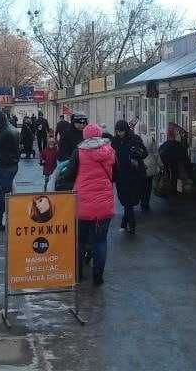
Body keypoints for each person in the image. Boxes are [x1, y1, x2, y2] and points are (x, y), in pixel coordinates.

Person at [74, 123, 116, 285]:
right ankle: (98, 277)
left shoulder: (78, 152)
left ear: (84, 136)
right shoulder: (110, 152)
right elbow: (115, 175)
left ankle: (78, 274)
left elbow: (70, 173)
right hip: (104, 205)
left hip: (82, 204)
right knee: (100, 241)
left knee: (81, 241)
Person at [111, 120, 148, 234]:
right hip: (120, 174)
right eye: (117, 131)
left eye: (121, 131)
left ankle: (131, 224)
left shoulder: (134, 139)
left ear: (126, 130)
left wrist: (137, 153)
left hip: (134, 174)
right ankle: (125, 221)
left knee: (130, 201)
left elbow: (144, 153)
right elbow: (111, 156)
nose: (119, 133)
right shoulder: (115, 141)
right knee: (124, 199)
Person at [158, 123, 190, 196]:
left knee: (167, 173)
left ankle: (165, 188)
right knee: (174, 173)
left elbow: (160, 152)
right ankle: (173, 189)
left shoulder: (165, 144)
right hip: (174, 158)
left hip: (166, 157)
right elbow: (184, 152)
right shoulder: (178, 144)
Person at [141, 132, 160, 211]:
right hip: (151, 164)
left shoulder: (137, 138)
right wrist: (159, 164)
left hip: (141, 164)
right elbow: (156, 153)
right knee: (149, 186)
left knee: (141, 185)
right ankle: (146, 203)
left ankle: (142, 200)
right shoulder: (151, 139)